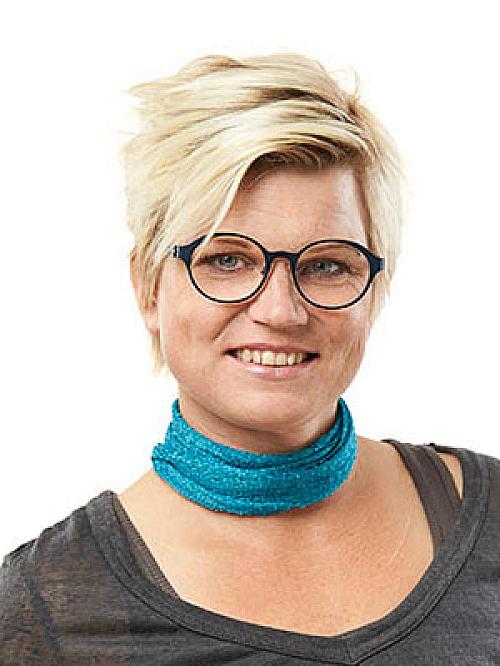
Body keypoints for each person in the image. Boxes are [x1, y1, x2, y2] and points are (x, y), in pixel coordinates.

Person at [1, 51, 499, 665]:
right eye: (227, 259)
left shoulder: (493, 517)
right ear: (148, 287)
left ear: (375, 290)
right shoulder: (41, 610)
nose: (281, 311)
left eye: (327, 265)